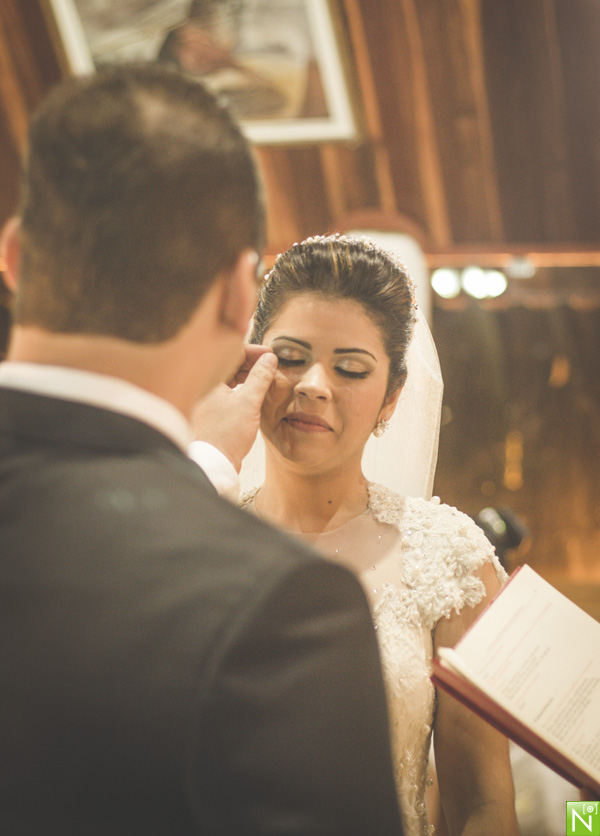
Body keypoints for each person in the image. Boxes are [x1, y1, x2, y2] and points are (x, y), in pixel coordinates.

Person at [0, 66, 404, 835]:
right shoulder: (278, 604)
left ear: (15, 258)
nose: (315, 386)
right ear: (234, 296)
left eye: (351, 368)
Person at [237, 234, 520, 836]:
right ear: (253, 363)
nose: (314, 384)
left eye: (350, 368)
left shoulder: (449, 560)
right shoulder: (196, 531)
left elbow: (483, 806)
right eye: (290, 357)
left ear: (391, 397)